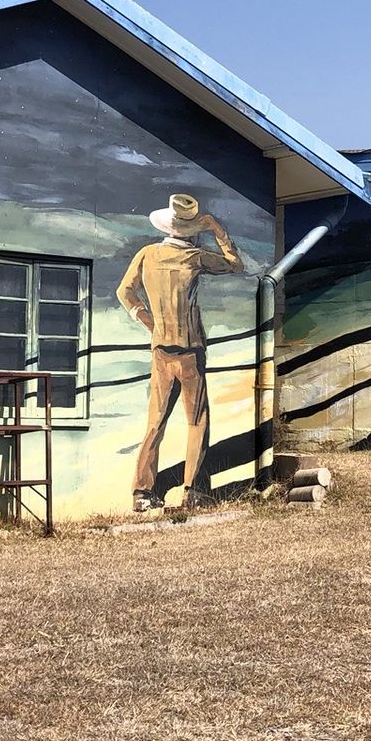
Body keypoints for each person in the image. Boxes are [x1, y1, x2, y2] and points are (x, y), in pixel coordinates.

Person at [117, 193, 244, 511]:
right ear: (194, 229)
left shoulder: (147, 254)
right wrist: (218, 230)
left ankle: (142, 492)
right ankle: (193, 490)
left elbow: (125, 292)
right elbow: (235, 264)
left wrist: (150, 322)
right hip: (190, 351)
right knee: (196, 421)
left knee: (155, 423)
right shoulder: (196, 257)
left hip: (161, 349)